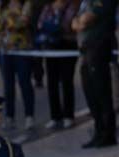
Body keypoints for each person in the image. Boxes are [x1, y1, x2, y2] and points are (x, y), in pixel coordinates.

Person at [72, 0, 116, 147]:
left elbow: (88, 17)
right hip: (86, 48)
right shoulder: (86, 2)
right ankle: (98, 131)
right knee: (90, 91)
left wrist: (82, 22)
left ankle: (108, 134)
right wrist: (80, 22)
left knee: (101, 91)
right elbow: (74, 22)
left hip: (99, 46)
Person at [36, 0, 78, 130]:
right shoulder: (48, 6)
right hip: (51, 45)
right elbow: (40, 23)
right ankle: (55, 116)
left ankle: (68, 116)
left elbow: (67, 25)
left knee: (66, 81)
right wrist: (51, 25)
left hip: (67, 45)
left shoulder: (72, 5)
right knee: (52, 82)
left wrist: (56, 19)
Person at [0, 0, 35, 130]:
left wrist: (9, 21)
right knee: (8, 85)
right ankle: (10, 117)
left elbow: (23, 22)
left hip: (22, 49)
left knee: (24, 82)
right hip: (6, 50)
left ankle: (29, 116)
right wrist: (13, 18)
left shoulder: (26, 4)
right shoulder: (1, 4)